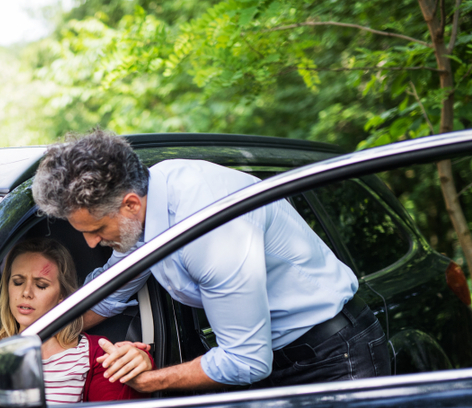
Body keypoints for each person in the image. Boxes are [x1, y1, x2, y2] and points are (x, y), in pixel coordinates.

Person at [32, 129, 391, 393]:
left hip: (332, 360)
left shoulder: (209, 228)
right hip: (269, 362)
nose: (91, 242)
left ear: (129, 204)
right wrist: (28, 338)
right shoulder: (142, 208)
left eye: (95, 229)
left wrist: (150, 380)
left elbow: (245, 361)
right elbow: (108, 294)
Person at [0, 237, 152, 402]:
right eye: (18, 282)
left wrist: (141, 362)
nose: (26, 293)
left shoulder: (94, 354)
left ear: (61, 297)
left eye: (41, 285)